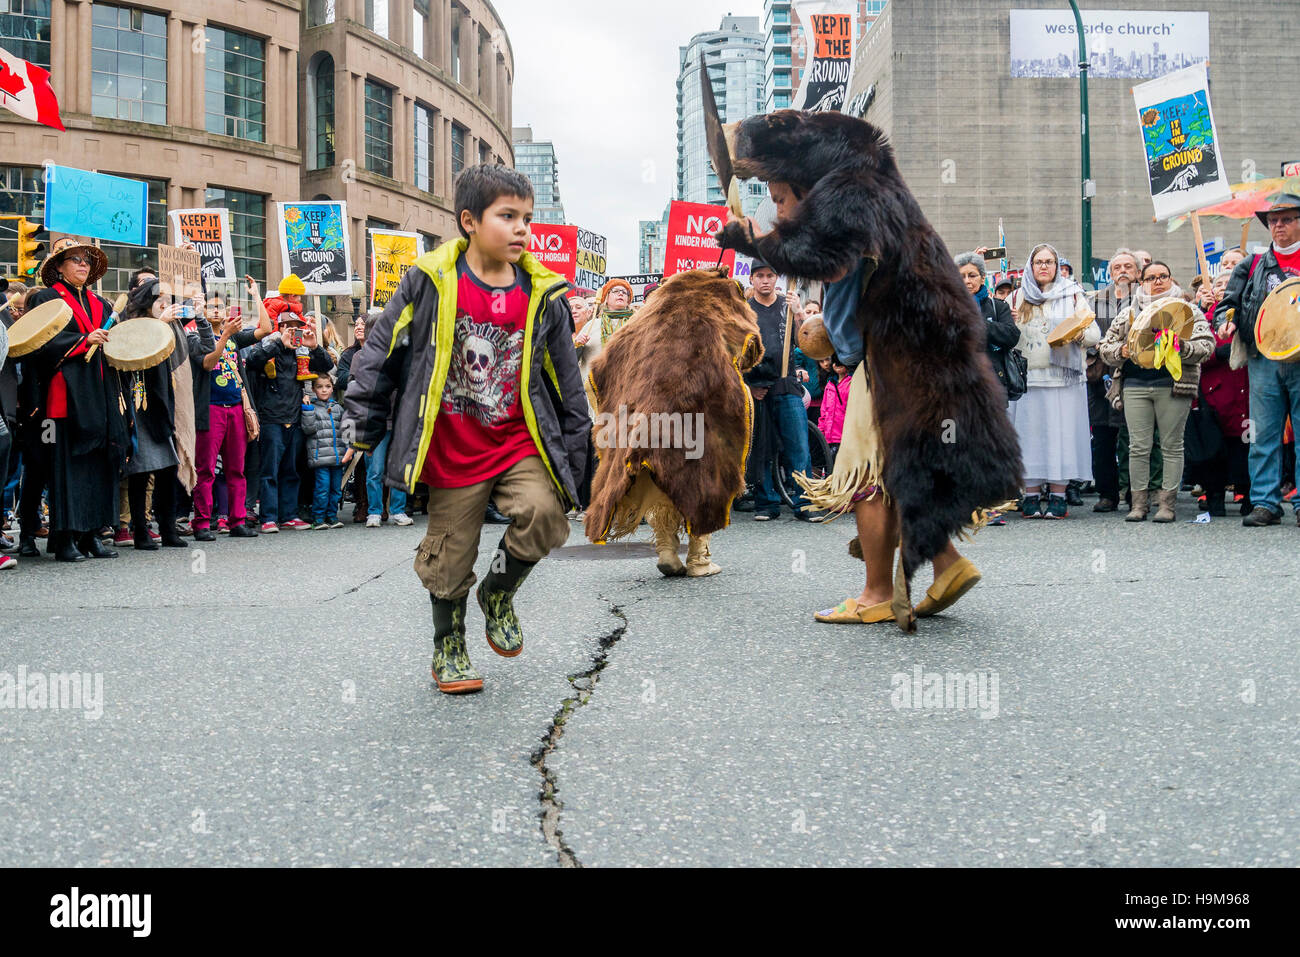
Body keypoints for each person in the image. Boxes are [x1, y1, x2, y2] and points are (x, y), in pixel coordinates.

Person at [715, 110, 1021, 629]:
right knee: (896, 468)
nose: (780, 211)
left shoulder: (849, 205)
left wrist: (751, 241)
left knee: (866, 476)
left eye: (784, 200)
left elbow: (830, 275)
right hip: (914, 359)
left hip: (885, 363)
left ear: (808, 193)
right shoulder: (875, 195)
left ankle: (877, 591)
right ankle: (945, 564)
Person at [342, 164, 589, 695]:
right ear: (469, 221)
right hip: (454, 445)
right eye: (508, 216)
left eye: (527, 218)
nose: (523, 228)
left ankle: (498, 591)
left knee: (545, 515)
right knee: (450, 556)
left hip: (517, 439)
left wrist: (577, 452)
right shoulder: (430, 280)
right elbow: (380, 350)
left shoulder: (544, 293)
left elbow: (566, 380)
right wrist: (361, 424)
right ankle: (448, 643)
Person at [22, 238, 130, 561]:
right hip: (62, 398)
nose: (83, 264)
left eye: (86, 260)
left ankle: (91, 534)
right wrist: (85, 340)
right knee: (63, 469)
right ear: (58, 266)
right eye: (75, 259)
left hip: (99, 395)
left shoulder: (103, 306)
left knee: (97, 465)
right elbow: (38, 345)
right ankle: (63, 536)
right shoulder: (46, 299)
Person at [1098, 261, 1214, 522]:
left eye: (1164, 276)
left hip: (1173, 386)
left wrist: (1181, 347)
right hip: (1135, 386)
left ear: (1172, 279)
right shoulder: (1129, 313)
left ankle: (1167, 505)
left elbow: (1207, 346)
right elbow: (1105, 347)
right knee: (1139, 447)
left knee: (1172, 446)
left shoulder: (1188, 310)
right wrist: (1122, 352)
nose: (1158, 281)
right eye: (1151, 277)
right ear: (1142, 283)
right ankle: (1138, 505)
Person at [117, 280, 214, 550]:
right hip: (142, 404)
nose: (165, 301)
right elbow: (136, 356)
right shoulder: (134, 323)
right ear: (147, 302)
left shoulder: (175, 326)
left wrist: (200, 314)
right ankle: (140, 531)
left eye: (169, 297)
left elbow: (205, 347)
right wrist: (159, 323)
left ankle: (168, 527)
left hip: (168, 404)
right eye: (159, 297)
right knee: (141, 470)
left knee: (169, 469)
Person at [1221, 194, 1300, 526]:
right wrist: (1225, 321)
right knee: (1263, 433)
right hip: (1263, 357)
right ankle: (1265, 503)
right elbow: (1231, 303)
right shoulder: (1251, 264)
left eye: (1286, 219)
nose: (1278, 226)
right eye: (1273, 220)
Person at [1008, 243, 1099, 519]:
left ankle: (1059, 495)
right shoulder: (1015, 298)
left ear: (1057, 267)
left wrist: (1076, 332)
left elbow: (1094, 335)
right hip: (1027, 379)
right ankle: (1031, 495)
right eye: (1039, 262)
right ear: (1031, 266)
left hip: (1063, 378)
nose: (1044, 266)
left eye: (1049, 262)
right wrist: (1008, 324)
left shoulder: (1073, 295)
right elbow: (1002, 336)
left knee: (1061, 436)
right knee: (1029, 436)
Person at [242, 301, 334, 533]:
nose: (293, 331)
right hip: (271, 417)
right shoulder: (268, 345)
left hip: (295, 417)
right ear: (279, 328)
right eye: (288, 327)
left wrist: (314, 347)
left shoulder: (302, 350)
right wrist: (278, 344)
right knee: (269, 471)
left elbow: (326, 366)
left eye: (297, 327)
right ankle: (269, 517)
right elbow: (252, 361)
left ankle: (289, 515)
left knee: (291, 470)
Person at [192, 280, 267, 542]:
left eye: (219, 307)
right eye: (210, 307)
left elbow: (266, 329)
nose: (215, 311)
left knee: (237, 469)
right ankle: (201, 523)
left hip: (235, 408)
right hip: (210, 409)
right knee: (207, 470)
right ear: (202, 311)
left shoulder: (235, 337)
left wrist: (257, 296)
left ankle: (237, 521)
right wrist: (223, 337)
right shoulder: (196, 337)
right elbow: (208, 364)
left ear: (226, 312)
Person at [744, 260, 817, 522]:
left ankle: (805, 502)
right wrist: (750, 386)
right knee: (761, 447)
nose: (765, 280)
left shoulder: (788, 306)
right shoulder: (745, 311)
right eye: (760, 275)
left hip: (787, 385)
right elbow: (735, 352)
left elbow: (806, 342)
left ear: (777, 278)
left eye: (770, 275)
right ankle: (766, 503)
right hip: (758, 389)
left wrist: (799, 313)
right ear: (752, 279)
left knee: (798, 447)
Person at [1191, 266, 1251, 517]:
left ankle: (1249, 495)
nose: (1224, 288)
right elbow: (1192, 352)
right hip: (1215, 395)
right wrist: (1217, 354)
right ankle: (1214, 495)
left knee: (1246, 449)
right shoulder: (1204, 319)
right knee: (1213, 450)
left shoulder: (1250, 314)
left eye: (1230, 284)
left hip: (1246, 395)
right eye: (1218, 285)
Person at [1089, 249, 1141, 512]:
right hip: (1100, 376)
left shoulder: (1147, 299)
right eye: (1117, 267)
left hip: (1134, 374)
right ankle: (1107, 493)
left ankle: (1136, 494)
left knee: (1134, 438)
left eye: (1128, 266)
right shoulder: (1095, 300)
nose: (1122, 271)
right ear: (1110, 273)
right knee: (1102, 437)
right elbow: (1084, 334)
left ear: (1138, 271)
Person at [955, 252, 1021, 403]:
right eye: (962, 276)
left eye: (972, 275)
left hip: (992, 386)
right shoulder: (947, 308)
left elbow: (1012, 336)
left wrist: (979, 323)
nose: (967, 281)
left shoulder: (998, 306)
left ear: (983, 278)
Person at [301, 375, 346, 529]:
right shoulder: (311, 407)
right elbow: (308, 429)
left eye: (327, 386)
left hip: (337, 457)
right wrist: (307, 410)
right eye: (320, 387)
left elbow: (344, 431)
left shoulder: (338, 408)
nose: (324, 390)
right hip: (320, 457)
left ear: (332, 388)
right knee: (322, 488)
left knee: (335, 490)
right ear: (314, 390)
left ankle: (332, 516)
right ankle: (318, 517)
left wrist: (347, 451)